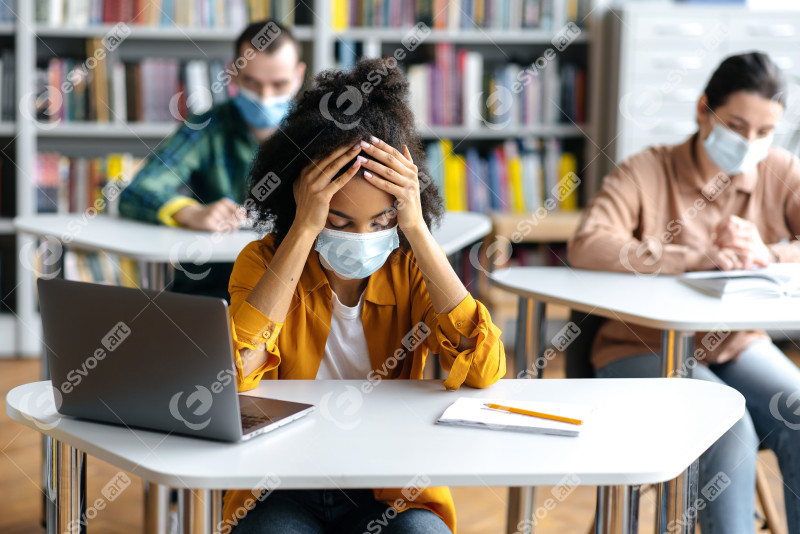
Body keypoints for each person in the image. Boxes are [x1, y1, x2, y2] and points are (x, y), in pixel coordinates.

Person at [220, 58, 506, 534]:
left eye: (380, 222)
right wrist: (305, 227)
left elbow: (484, 369)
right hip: (282, 481)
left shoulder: (411, 264)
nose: (361, 238)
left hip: (388, 482)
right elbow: (232, 373)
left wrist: (414, 226)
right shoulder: (262, 260)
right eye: (339, 222)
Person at [568, 51, 800, 533]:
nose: (750, 143)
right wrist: (691, 258)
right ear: (703, 111)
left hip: (736, 346)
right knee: (727, 430)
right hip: (640, 347)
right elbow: (588, 244)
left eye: (764, 132)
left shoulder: (781, 171)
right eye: (737, 126)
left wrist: (768, 252)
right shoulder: (647, 170)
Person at [118, 20, 306, 299]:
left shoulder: (316, 133)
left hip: (293, 296)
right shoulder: (205, 126)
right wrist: (190, 213)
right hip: (211, 293)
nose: (265, 98)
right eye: (252, 83)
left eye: (279, 85)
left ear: (299, 75)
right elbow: (136, 192)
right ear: (233, 74)